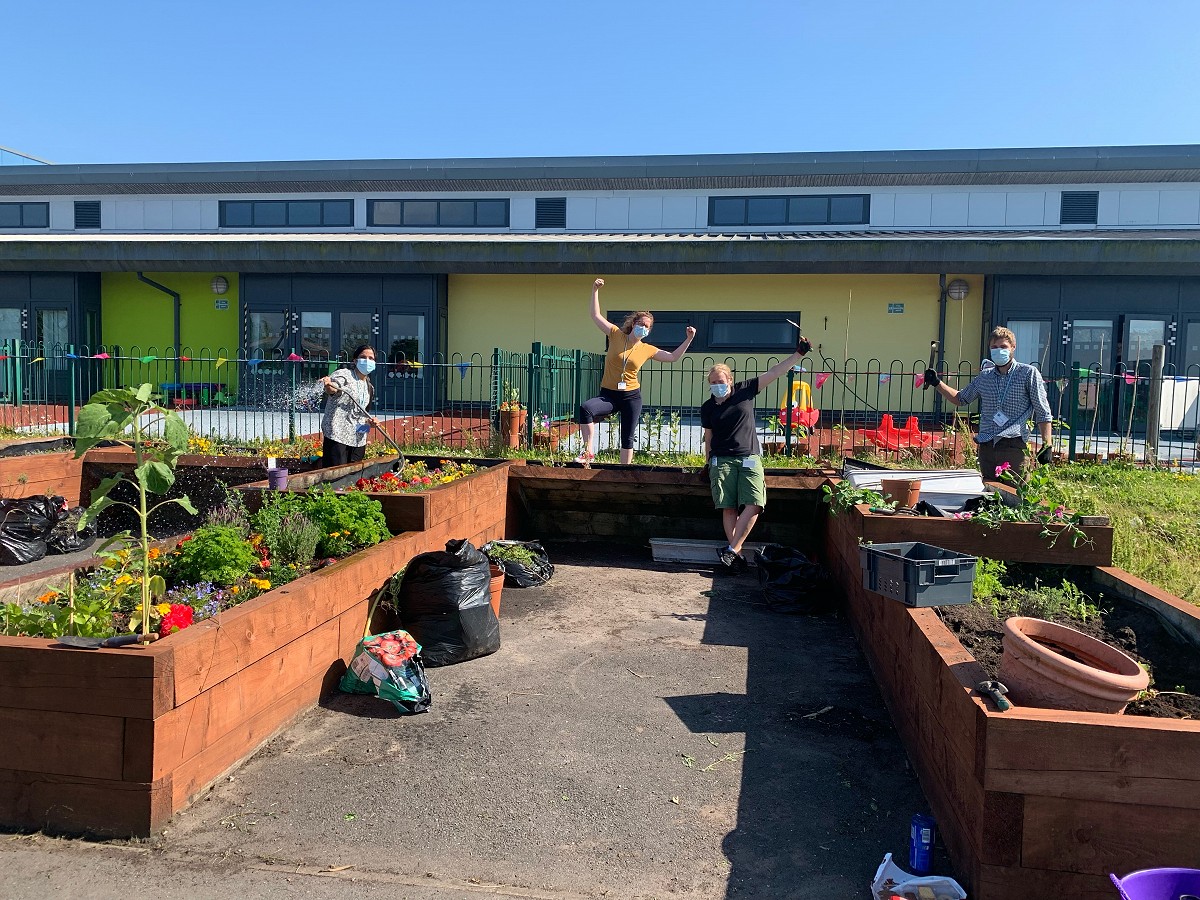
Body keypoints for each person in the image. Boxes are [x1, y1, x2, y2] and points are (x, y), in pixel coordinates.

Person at [701, 335, 813, 573]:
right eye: (712, 382)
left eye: (720, 381)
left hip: (749, 456)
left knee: (754, 503)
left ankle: (730, 551)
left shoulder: (746, 390)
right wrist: (707, 462)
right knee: (728, 507)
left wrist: (798, 355)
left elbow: (774, 372)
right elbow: (708, 437)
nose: (717, 385)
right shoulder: (708, 407)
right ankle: (736, 556)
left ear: (730, 380)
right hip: (721, 460)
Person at [576, 278, 696, 465]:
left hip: (631, 396)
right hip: (608, 394)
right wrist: (594, 290)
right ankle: (587, 452)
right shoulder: (616, 334)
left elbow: (673, 357)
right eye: (641, 324)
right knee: (586, 409)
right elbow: (595, 315)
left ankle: (625, 471)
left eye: (647, 326)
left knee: (627, 436)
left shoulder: (647, 349)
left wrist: (689, 338)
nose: (644, 328)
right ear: (633, 324)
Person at [924, 326, 1053, 479]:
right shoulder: (984, 377)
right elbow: (960, 398)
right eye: (994, 347)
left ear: (1013, 347)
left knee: (1015, 494)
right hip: (987, 445)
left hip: (1013, 444)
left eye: (1003, 347)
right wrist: (937, 383)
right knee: (989, 493)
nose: (999, 350)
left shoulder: (1028, 373)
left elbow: (1042, 410)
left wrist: (1047, 444)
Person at [318, 344, 380, 467]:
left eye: (371, 358)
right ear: (355, 360)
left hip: (358, 439)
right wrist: (328, 384)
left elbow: (362, 416)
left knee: (352, 479)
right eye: (363, 357)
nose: (367, 361)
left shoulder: (369, 387)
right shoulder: (345, 374)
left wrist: (370, 424)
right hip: (337, 435)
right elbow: (332, 389)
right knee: (335, 476)